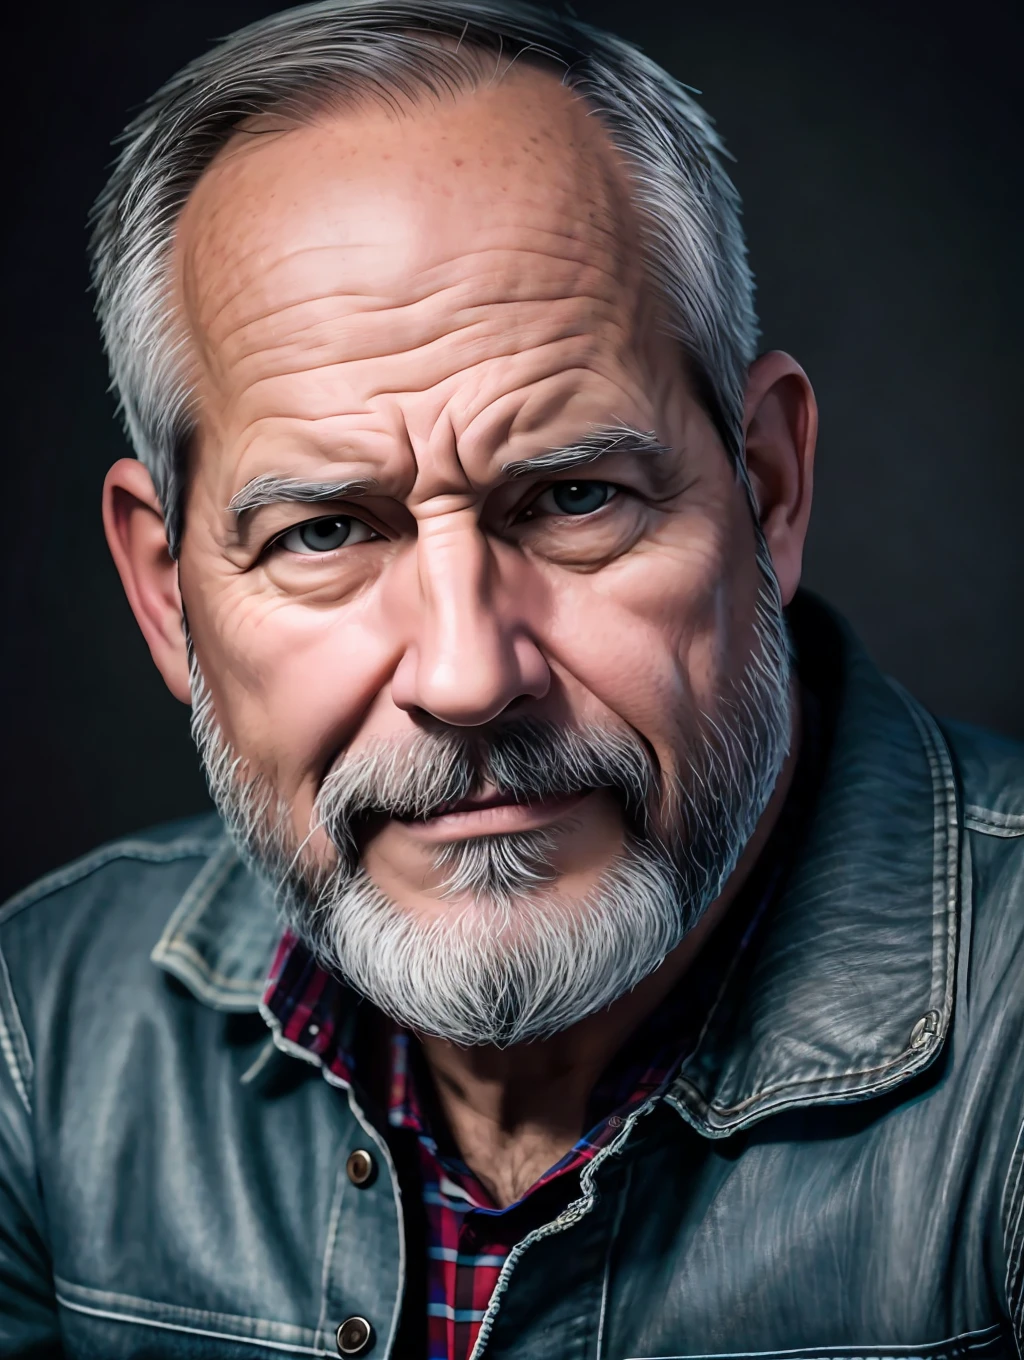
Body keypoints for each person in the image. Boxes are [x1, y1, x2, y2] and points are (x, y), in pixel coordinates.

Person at [2, 1, 1022, 1355]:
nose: (469, 675)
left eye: (574, 499)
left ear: (767, 493)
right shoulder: (40, 1030)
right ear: (166, 594)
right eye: (323, 531)